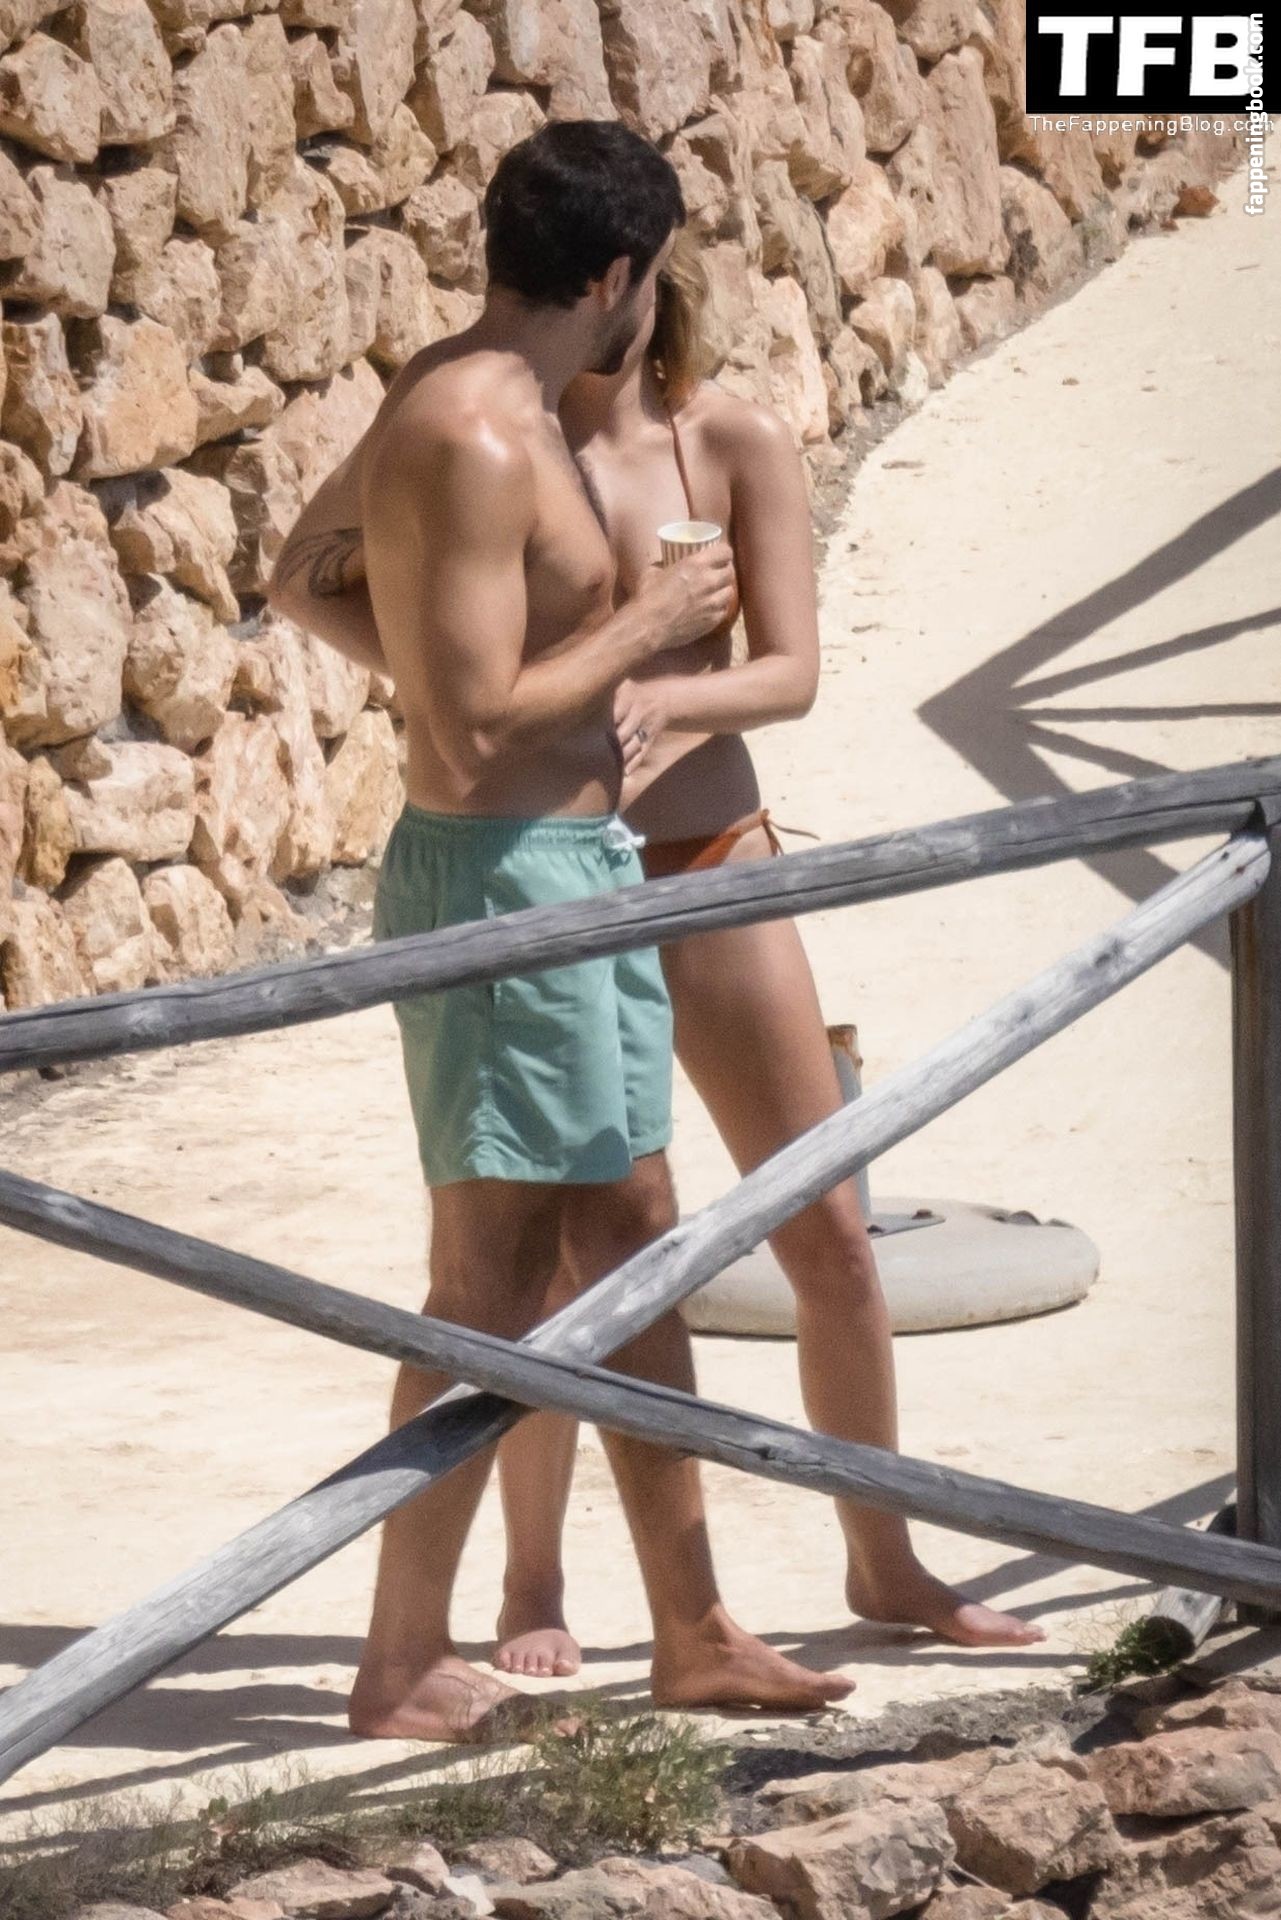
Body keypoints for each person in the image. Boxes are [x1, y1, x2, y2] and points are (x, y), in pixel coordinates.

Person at [270, 140, 1047, 1709]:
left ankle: (695, 1628)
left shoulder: (528, 406)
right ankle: (418, 1645)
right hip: (520, 875)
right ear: (620, 271)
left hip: (601, 870)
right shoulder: (482, 427)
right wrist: (634, 636)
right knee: (499, 1284)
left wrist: (579, 685)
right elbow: (467, 722)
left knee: (630, 1246)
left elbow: (464, 671)